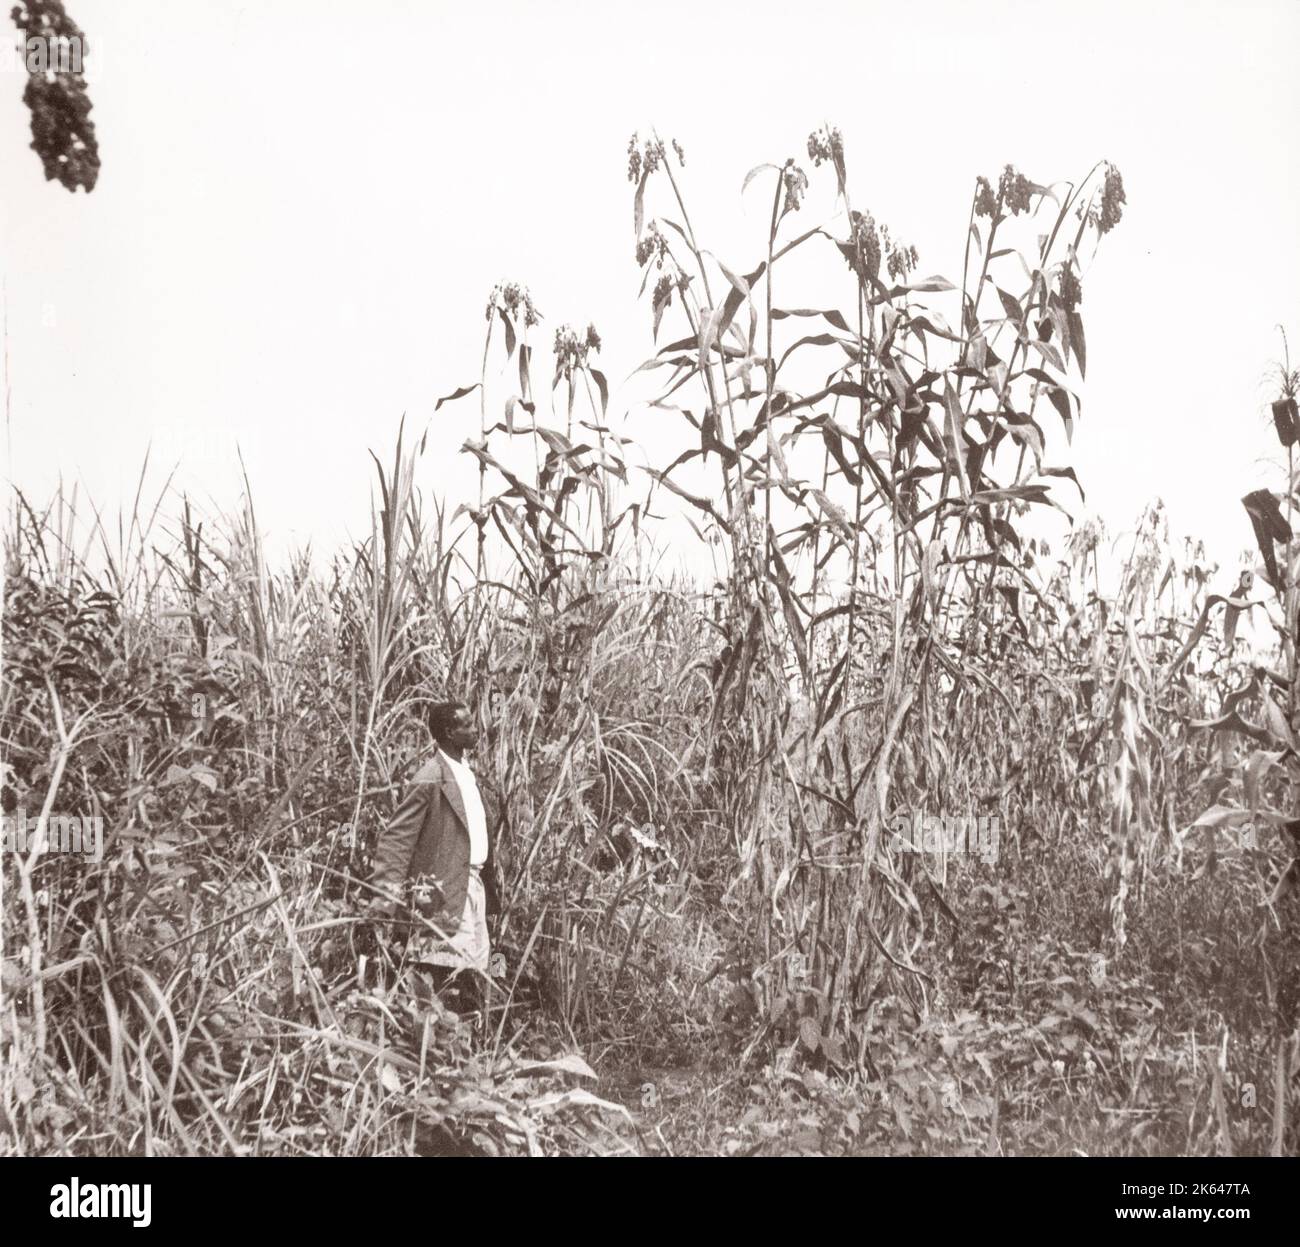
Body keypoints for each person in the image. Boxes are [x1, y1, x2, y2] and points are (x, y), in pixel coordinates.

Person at [365, 699, 498, 1016]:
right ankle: (436, 1047)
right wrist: (386, 896)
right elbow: (398, 837)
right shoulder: (430, 776)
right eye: (466, 725)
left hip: (473, 884)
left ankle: (465, 1050)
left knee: (474, 971)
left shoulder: (466, 773)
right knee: (445, 970)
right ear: (451, 733)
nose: (474, 729)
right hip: (447, 887)